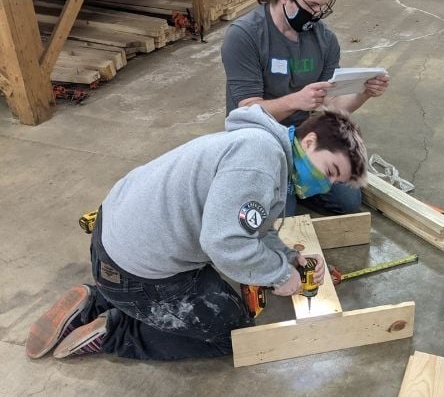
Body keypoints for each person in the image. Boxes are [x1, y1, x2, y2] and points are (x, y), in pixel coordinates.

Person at [25, 105, 367, 360]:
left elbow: (252, 228)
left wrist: (289, 258)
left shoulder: (262, 146)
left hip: (114, 240)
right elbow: (225, 242)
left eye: (336, 180)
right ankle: (116, 331)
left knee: (222, 285)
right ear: (309, 141)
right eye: (331, 170)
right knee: (231, 335)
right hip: (135, 270)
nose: (328, 183)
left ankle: (97, 297)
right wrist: (279, 275)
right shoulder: (261, 161)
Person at [221, 0, 389, 216]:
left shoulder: (324, 40)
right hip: (257, 138)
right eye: (311, 6)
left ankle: (291, 181)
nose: (316, 15)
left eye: (322, 8)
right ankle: (279, 184)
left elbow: (333, 105)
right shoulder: (244, 36)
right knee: (279, 217)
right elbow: (247, 110)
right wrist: (296, 101)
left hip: (302, 137)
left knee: (347, 203)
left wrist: (364, 93)